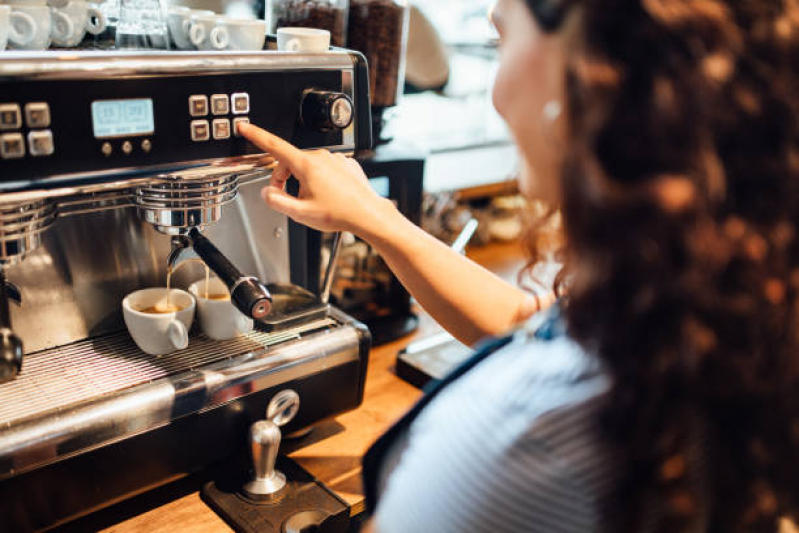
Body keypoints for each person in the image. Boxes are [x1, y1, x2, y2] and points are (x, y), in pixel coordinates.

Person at [238, 0, 799, 529]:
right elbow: (529, 319)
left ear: (588, 78)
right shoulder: (716, 305)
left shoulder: (516, 441)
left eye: (499, 41)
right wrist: (375, 218)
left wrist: (441, 449)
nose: (497, 97)